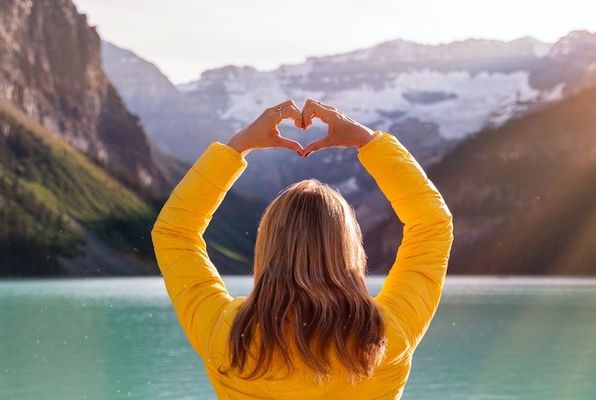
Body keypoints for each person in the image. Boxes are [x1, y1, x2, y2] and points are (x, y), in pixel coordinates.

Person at [151, 98, 454, 399]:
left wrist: (239, 146)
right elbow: (432, 224)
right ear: (349, 248)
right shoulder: (387, 336)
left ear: (268, 246)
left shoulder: (227, 335)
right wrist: (368, 141)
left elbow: (175, 233)